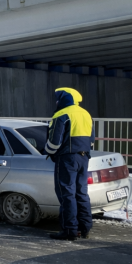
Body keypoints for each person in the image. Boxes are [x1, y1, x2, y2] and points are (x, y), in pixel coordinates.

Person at [44, 87, 94, 241]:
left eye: (59, 98)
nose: (57, 101)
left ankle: (69, 230)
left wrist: (47, 151)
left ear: (65, 99)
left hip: (67, 158)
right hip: (84, 157)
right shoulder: (86, 114)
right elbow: (91, 140)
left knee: (66, 194)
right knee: (81, 193)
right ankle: (84, 228)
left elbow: (54, 142)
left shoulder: (61, 114)